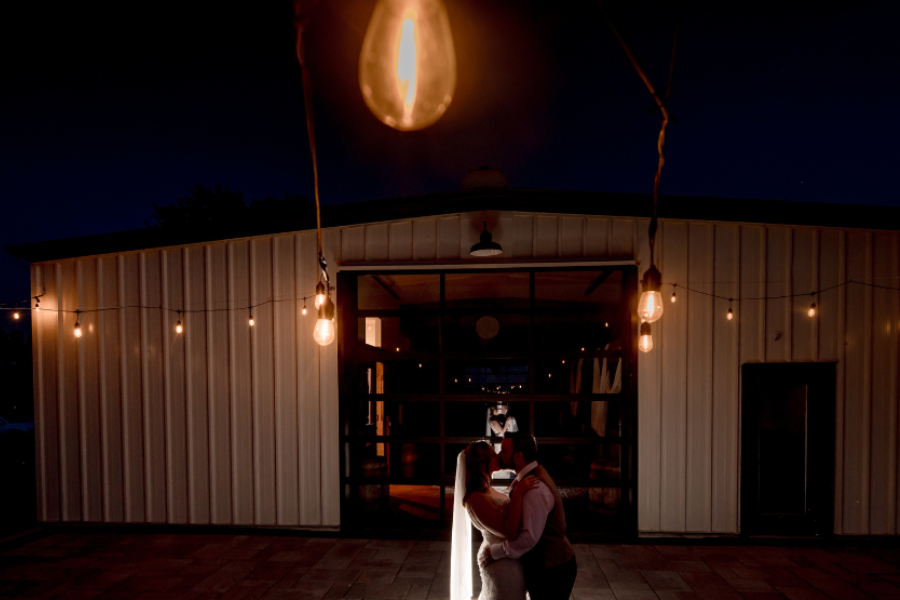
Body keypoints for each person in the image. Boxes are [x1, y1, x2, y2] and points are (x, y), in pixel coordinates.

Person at [481, 432, 577, 600]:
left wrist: (495, 552)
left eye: (504, 451)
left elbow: (528, 538)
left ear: (518, 456)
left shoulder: (534, 488)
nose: (499, 454)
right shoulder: (524, 480)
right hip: (547, 566)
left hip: (553, 570)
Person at [450, 440, 540, 600]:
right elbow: (510, 532)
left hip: (509, 559)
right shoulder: (474, 499)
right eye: (492, 454)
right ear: (481, 462)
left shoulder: (488, 490)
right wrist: (518, 493)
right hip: (500, 567)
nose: (498, 456)